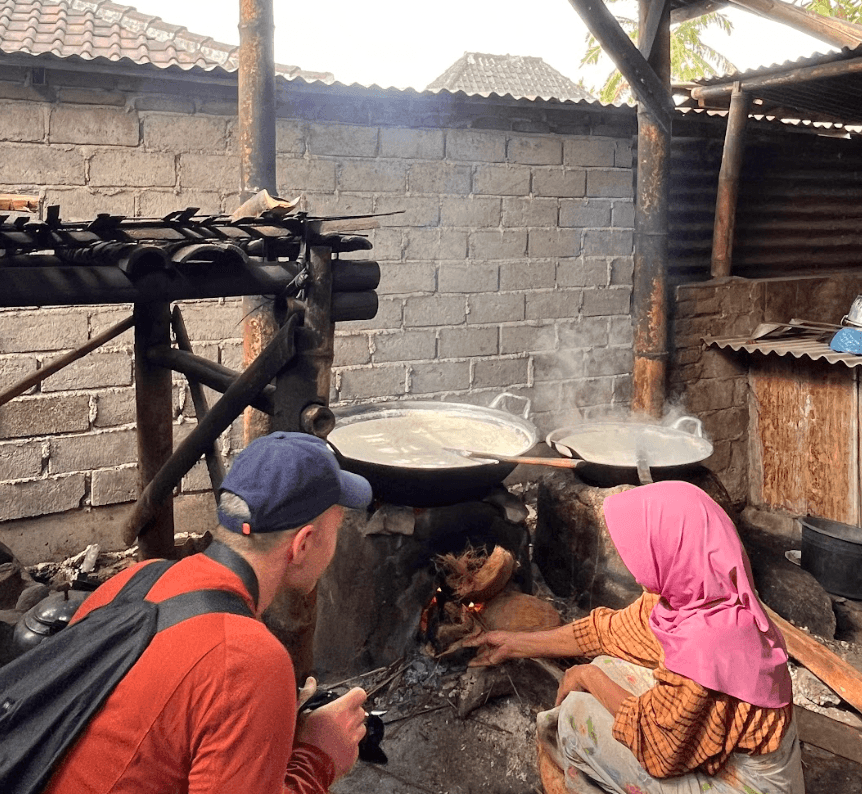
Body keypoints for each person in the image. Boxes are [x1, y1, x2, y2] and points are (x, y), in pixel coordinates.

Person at [42, 431, 374, 794]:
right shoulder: (249, 661)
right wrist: (318, 755)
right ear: (303, 545)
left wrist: (265, 718)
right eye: (337, 527)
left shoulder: (136, 579)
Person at [464, 481, 804, 794]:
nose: (636, 566)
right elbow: (606, 632)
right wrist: (513, 643)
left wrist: (587, 676)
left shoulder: (708, 643)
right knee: (608, 664)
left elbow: (660, 752)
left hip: (748, 783)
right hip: (726, 747)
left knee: (576, 716)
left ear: (674, 549)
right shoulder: (704, 594)